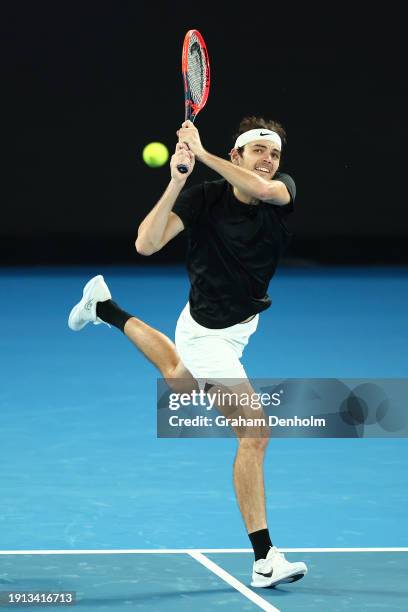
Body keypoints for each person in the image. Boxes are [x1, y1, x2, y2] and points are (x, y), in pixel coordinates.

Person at [68, 116, 308, 587]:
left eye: (274, 153)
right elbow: (146, 242)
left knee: (179, 379)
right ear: (237, 155)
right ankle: (264, 559)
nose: (269, 160)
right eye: (258, 150)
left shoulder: (281, 190)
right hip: (205, 333)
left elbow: (262, 192)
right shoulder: (204, 197)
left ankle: (105, 308)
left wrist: (201, 154)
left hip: (238, 325)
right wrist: (178, 181)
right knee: (255, 433)